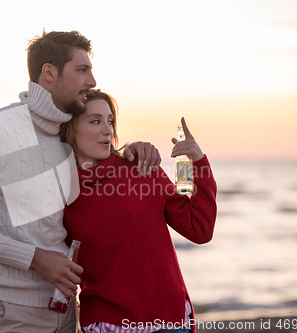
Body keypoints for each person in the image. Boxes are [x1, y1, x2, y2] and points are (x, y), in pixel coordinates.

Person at [0, 30, 162, 333]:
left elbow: (100, 165)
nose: (92, 81)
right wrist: (36, 258)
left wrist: (134, 150)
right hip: (10, 311)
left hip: (65, 309)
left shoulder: (64, 135)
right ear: (49, 73)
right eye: (82, 70)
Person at [60, 89, 217, 333]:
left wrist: (193, 161)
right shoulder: (58, 189)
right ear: (71, 129)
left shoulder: (142, 168)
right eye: (95, 121)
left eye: (110, 121)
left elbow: (199, 228)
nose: (107, 130)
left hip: (168, 322)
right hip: (106, 325)